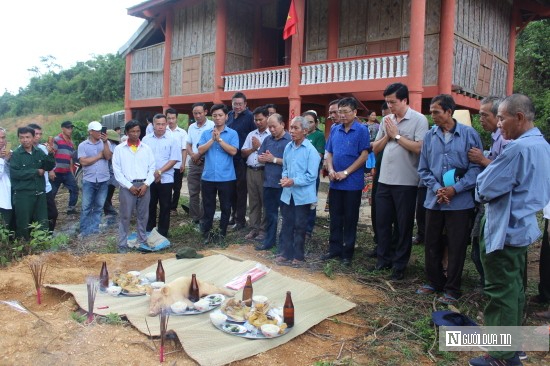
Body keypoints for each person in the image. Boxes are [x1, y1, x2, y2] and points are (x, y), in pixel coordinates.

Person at [469, 94, 550, 366]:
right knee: (514, 289)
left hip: (504, 229)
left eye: (502, 117)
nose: (499, 124)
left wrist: (480, 184)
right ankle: (511, 347)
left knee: (500, 291)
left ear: (519, 117)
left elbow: (485, 187)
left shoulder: (518, 149)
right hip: (523, 227)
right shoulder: (542, 146)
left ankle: (500, 356)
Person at [416, 94, 482, 304]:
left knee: (456, 244)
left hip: (460, 202)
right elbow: (423, 169)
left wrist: (456, 189)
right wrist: (437, 188)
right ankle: (434, 282)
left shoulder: (469, 135)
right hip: (434, 200)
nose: (432, 115)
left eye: (436, 111)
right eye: (431, 111)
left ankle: (452, 288)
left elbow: (476, 168)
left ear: (449, 112)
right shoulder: (429, 136)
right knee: (432, 241)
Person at [372, 82, 429, 280]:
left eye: (393, 102)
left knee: (403, 225)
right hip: (384, 180)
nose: (390, 106)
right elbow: (375, 148)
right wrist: (388, 136)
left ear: (404, 100)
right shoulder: (386, 119)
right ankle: (383, 260)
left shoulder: (419, 120)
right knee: (383, 222)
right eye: (387, 102)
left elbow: (419, 148)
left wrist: (396, 135)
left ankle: (399, 265)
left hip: (406, 182)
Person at [322, 97, 370, 266]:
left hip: (352, 183)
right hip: (335, 181)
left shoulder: (362, 130)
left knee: (350, 218)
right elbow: (329, 152)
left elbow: (364, 155)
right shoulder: (335, 129)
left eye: (345, 112)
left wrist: (346, 172)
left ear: (355, 112)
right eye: (339, 112)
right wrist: (332, 169)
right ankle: (334, 248)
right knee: (335, 217)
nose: (341, 115)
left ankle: (347, 253)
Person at [467, 96, 509, 287]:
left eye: (484, 115)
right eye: (479, 115)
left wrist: (482, 160)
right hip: (487, 201)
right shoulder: (496, 138)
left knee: (484, 248)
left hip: (497, 204)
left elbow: (506, 172)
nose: (480, 119)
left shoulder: (505, 139)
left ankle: (492, 287)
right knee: (479, 247)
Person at [275, 116, 320, 266]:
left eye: (296, 128)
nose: (292, 131)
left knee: (300, 226)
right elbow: (285, 168)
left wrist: (293, 181)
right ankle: (285, 253)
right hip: (288, 194)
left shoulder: (311, 151)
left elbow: (311, 176)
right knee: (287, 224)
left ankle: (298, 257)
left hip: (303, 196)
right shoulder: (288, 147)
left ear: (305, 131)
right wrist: (285, 178)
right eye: (291, 128)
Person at [113, 120, 156, 253]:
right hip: (127, 187)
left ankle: (142, 241)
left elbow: (152, 168)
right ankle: (122, 244)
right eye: (132, 131)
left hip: (144, 185)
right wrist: (129, 186)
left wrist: (146, 184)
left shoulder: (146, 148)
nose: (135, 134)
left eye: (138, 131)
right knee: (125, 216)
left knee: (143, 216)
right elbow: (117, 171)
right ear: (127, 132)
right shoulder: (119, 149)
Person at [198, 104, 239, 243]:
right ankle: (207, 233)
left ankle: (222, 234)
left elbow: (233, 151)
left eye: (220, 115)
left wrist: (220, 140)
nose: (217, 118)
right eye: (214, 116)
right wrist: (212, 139)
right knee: (208, 206)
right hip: (208, 176)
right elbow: (200, 150)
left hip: (226, 177)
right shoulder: (205, 133)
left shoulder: (232, 133)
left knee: (226, 206)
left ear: (226, 116)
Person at [10, 127, 55, 239]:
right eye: (22, 137)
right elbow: (15, 173)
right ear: (19, 139)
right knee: (23, 224)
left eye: (27, 137)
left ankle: (42, 247)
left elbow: (48, 167)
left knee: (42, 222)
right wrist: (35, 172)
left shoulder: (38, 152)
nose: (25, 140)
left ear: (33, 137)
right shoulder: (16, 154)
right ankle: (24, 250)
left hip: (39, 193)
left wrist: (50, 154)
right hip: (23, 195)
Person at [255, 114, 291, 251]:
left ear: (282, 124)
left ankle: (284, 244)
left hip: (283, 184)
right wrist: (263, 158)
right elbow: (260, 157)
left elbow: (290, 162)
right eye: (269, 127)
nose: (271, 129)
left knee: (285, 216)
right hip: (268, 183)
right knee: (270, 214)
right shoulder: (267, 139)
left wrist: (273, 159)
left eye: (274, 126)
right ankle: (269, 241)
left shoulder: (289, 140)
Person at [142, 114, 180, 237]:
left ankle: (163, 233)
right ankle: (149, 230)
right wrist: (153, 173)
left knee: (165, 206)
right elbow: (143, 159)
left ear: (166, 124)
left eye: (163, 124)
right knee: (150, 204)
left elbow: (173, 159)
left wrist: (160, 172)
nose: (160, 127)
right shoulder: (146, 140)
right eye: (158, 124)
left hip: (166, 178)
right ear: (153, 125)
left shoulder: (173, 139)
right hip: (149, 178)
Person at [226, 92, 256, 230]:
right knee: (230, 189)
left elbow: (254, 137)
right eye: (235, 104)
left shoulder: (250, 117)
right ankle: (233, 215)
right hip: (229, 158)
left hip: (242, 159)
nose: (237, 106)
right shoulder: (229, 116)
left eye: (240, 104)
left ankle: (240, 220)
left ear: (245, 104)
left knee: (241, 190)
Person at [241, 107, 271, 241]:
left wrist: (258, 147)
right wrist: (253, 148)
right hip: (250, 170)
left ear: (267, 118)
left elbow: (268, 155)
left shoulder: (271, 135)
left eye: (260, 119)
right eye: (256, 119)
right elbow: (243, 152)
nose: (258, 122)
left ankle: (264, 230)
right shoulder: (251, 134)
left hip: (264, 171)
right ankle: (254, 228)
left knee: (265, 201)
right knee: (253, 201)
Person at [77, 121, 112, 237]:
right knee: (86, 206)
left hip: (103, 179)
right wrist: (98, 156)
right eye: (96, 131)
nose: (99, 133)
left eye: (100, 130)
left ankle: (94, 229)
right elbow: (83, 162)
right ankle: (84, 230)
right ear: (90, 132)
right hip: (89, 179)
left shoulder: (106, 143)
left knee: (99, 206)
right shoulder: (83, 145)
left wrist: (106, 142)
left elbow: (108, 156)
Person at [186, 103, 215, 225]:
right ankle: (194, 217)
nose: (197, 115)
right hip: (193, 162)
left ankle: (204, 218)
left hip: (206, 162)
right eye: (195, 113)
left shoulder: (212, 125)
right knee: (193, 191)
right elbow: (188, 144)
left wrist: (198, 156)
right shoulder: (192, 126)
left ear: (205, 112)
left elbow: (212, 144)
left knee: (206, 192)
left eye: (200, 113)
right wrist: (193, 155)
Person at [28, 123, 58, 232]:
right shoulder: (20, 151)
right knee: (33, 216)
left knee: (53, 213)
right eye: (36, 134)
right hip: (31, 189)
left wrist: (50, 154)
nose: (38, 136)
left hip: (46, 187)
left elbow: (52, 165)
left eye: (40, 134)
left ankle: (48, 236)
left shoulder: (43, 149)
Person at [303, 110, 325, 240]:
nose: (308, 124)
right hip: (299, 175)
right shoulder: (300, 134)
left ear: (316, 123)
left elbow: (318, 156)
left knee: (310, 201)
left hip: (311, 175)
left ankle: (308, 229)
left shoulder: (318, 136)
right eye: (306, 122)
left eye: (311, 122)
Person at [50, 121, 79, 215]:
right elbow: (51, 154)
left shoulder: (71, 143)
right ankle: (49, 210)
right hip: (56, 171)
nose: (70, 130)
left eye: (71, 128)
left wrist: (72, 173)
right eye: (68, 128)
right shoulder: (57, 140)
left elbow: (70, 159)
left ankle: (71, 209)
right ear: (62, 128)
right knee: (52, 193)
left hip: (66, 172)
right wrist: (51, 170)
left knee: (74, 188)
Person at [165, 108, 188, 213]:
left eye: (173, 118)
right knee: (166, 186)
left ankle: (173, 207)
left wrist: (183, 163)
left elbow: (184, 149)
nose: (171, 120)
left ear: (176, 118)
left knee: (177, 187)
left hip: (178, 165)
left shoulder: (182, 133)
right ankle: (166, 205)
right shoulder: (163, 131)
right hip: (165, 165)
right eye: (168, 118)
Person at [323, 99, 341, 212]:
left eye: (335, 112)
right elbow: (329, 149)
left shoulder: (358, 128)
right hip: (333, 170)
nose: (332, 115)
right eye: (330, 113)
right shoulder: (334, 127)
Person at [103, 130, 121, 217]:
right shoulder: (116, 146)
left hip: (110, 175)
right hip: (113, 176)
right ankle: (109, 213)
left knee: (105, 196)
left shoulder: (111, 147)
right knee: (108, 195)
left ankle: (110, 212)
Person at [0, 127, 12, 228]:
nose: (1, 141)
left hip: (11, 196)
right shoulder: (4, 157)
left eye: (3, 137)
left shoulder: (10, 152)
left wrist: (10, 159)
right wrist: (3, 160)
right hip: (2, 200)